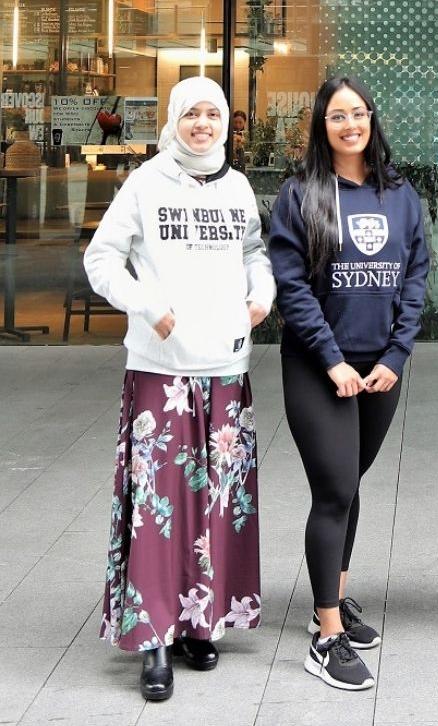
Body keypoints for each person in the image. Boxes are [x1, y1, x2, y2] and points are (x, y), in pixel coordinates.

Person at [85, 76, 274, 702]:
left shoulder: (238, 185)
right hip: (161, 370)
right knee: (157, 506)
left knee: (217, 500)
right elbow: (102, 259)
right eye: (190, 114)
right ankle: (152, 637)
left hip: (224, 365)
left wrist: (261, 293)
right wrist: (145, 304)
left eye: (212, 114)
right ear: (173, 119)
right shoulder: (146, 182)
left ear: (225, 122)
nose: (202, 124)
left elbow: (255, 251)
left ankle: (201, 621)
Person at [268, 76, 429, 691]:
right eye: (337, 116)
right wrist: (334, 360)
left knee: (351, 484)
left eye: (358, 113)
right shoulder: (300, 194)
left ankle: (331, 593)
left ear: (371, 120)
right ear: (321, 125)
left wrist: (396, 355)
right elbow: (293, 287)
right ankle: (325, 635)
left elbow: (415, 278)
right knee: (334, 489)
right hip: (318, 366)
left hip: (380, 367)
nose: (349, 125)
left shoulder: (400, 194)